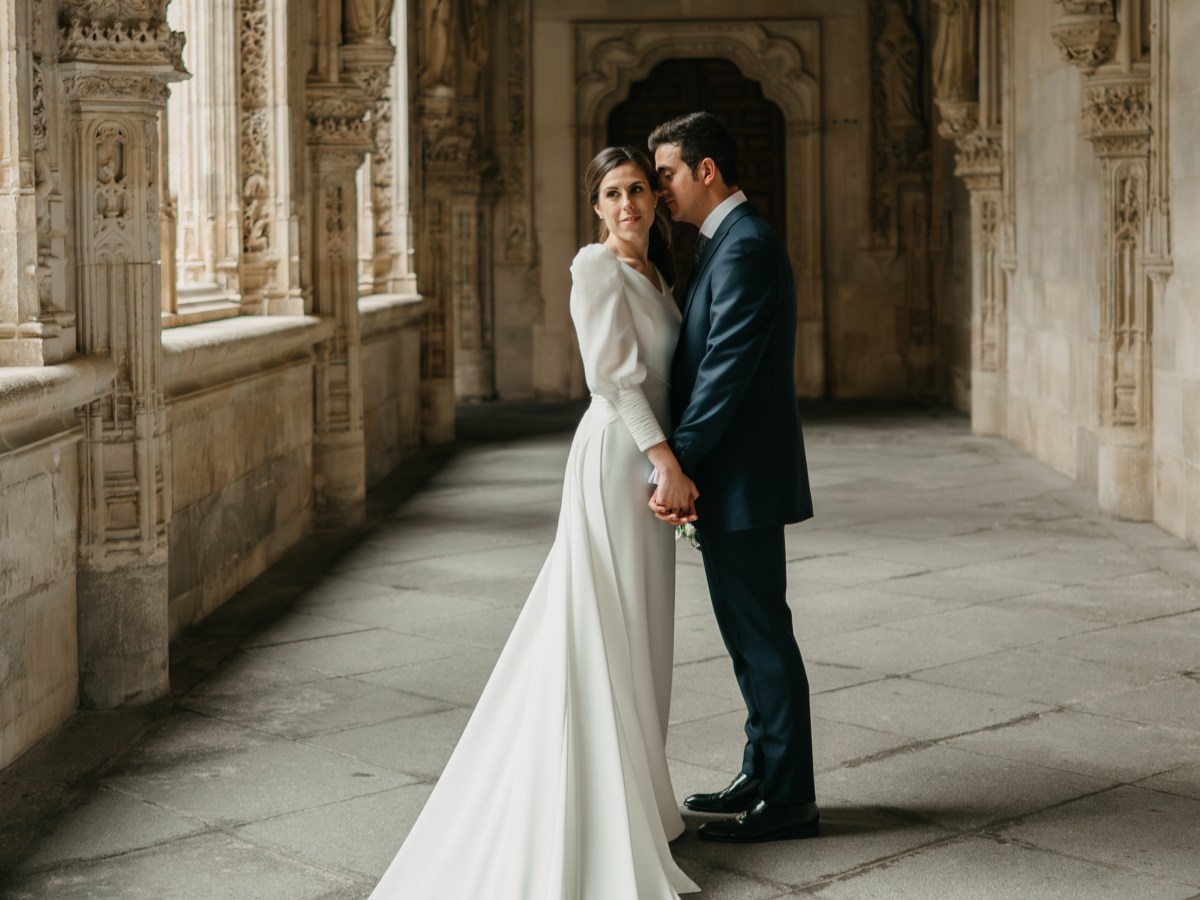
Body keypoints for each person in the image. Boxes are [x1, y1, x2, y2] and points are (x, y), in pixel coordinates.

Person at [368, 146, 700, 899]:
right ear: (595, 206)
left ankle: (643, 801)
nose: (627, 205)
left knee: (645, 629)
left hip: (650, 457)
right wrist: (666, 463)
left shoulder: (656, 273)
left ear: (655, 198)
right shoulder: (595, 267)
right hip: (621, 457)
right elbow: (612, 381)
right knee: (606, 624)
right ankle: (597, 808)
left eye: (638, 189)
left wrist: (672, 459)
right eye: (612, 193)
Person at [649, 111, 819, 844]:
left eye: (666, 175)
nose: (659, 191)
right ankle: (762, 770)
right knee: (747, 636)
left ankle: (790, 799)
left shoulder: (744, 245)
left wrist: (678, 461)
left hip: (742, 476)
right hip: (735, 476)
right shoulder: (727, 241)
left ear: (706, 170)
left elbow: (723, 373)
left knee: (762, 637)